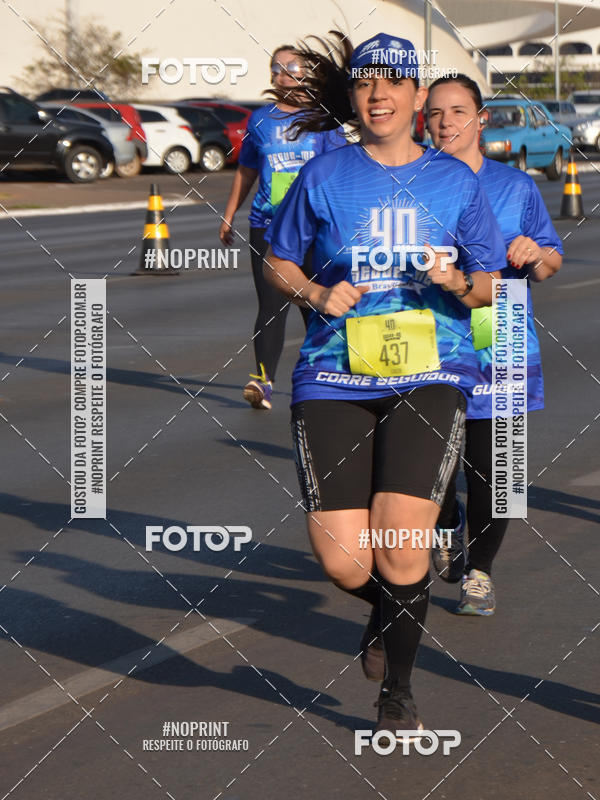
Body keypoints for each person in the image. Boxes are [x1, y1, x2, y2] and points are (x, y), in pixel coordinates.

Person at [262, 33, 506, 738]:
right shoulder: (325, 176)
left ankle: (396, 691)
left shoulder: (456, 182)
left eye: (394, 83)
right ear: (354, 96)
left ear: (416, 97)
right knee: (343, 561)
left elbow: (494, 284)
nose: (379, 94)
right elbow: (278, 259)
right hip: (335, 373)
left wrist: (457, 280)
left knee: (401, 545)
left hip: (431, 371)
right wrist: (314, 290)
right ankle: (390, 607)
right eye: (367, 83)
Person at [426, 74, 563, 614]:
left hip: (501, 335)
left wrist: (535, 253)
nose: (446, 123)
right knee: (431, 462)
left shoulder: (515, 187)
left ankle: (479, 571)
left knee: (497, 472)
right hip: (431, 336)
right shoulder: (411, 182)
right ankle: (444, 518)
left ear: (480, 119)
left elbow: (551, 265)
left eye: (459, 111)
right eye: (435, 112)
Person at [219, 45, 346, 410]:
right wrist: (229, 213)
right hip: (267, 225)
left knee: (315, 304)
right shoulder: (260, 120)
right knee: (271, 305)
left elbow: (340, 171)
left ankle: (327, 374)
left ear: (308, 73)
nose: (282, 74)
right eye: (276, 68)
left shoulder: (324, 119)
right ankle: (262, 381)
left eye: (291, 67)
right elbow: (247, 170)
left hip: (314, 228)